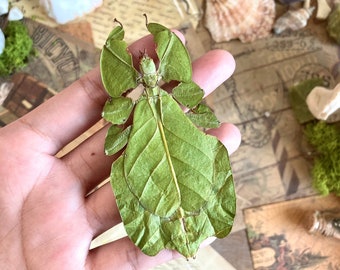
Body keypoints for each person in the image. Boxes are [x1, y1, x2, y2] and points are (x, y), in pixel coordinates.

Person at [0, 31, 241, 269]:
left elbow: (114, 140)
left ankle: (188, 229)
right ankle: (182, 231)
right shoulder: (163, 99)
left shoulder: (142, 105)